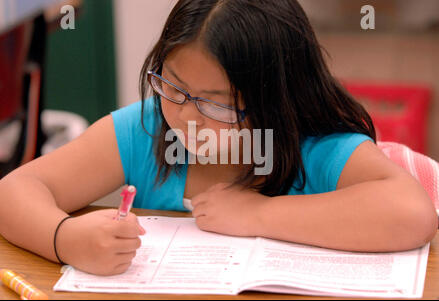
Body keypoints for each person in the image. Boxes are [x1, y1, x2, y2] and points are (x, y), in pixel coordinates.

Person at [0, 0, 437, 276]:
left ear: (278, 100)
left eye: (217, 104)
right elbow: (14, 189)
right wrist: (64, 238)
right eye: (172, 86)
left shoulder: (313, 143)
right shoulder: (147, 127)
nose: (187, 117)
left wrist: (259, 214)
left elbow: (412, 214)